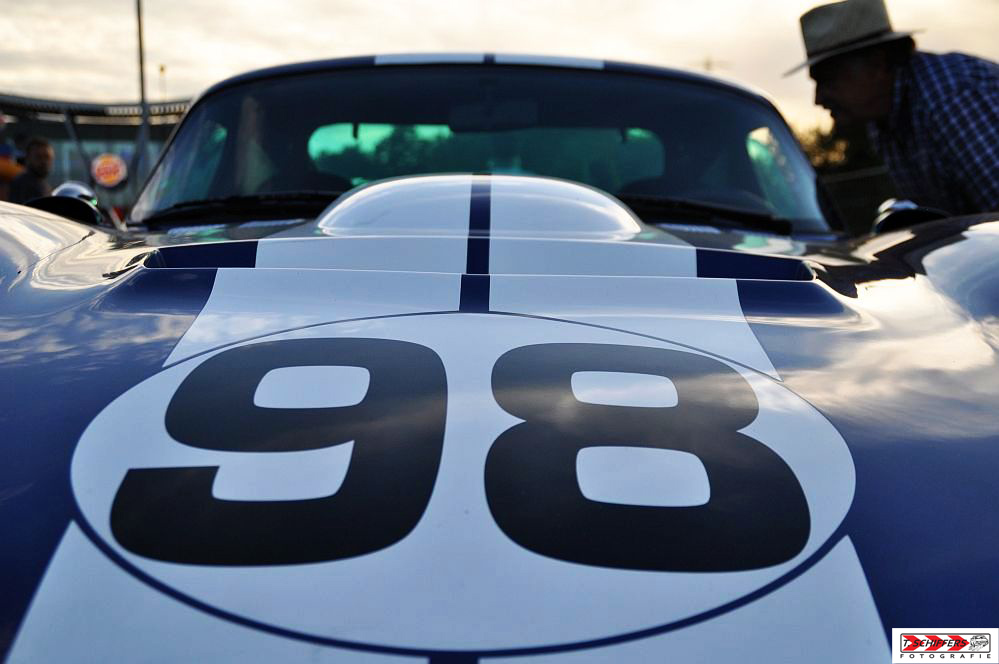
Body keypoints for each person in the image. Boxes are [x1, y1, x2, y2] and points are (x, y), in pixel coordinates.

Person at [787, 0, 999, 215]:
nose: (818, 98)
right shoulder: (884, 120)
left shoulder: (952, 96)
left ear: (878, 64)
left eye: (828, 80)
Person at [9, 136, 55, 204]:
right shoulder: (23, 184)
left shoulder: (42, 184)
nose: (44, 161)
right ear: (27, 159)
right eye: (38, 157)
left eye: (47, 157)